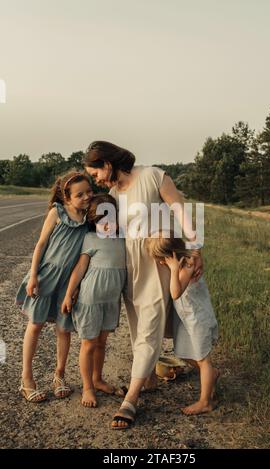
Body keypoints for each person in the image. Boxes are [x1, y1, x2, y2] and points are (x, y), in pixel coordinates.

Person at [83, 141, 203, 429]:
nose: (95, 179)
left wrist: (196, 248)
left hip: (157, 263)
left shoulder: (153, 176)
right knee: (139, 327)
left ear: (107, 165)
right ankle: (148, 379)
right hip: (131, 267)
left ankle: (132, 399)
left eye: (95, 173)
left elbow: (181, 211)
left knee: (149, 325)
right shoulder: (112, 194)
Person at [16, 171, 93, 402]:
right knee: (36, 324)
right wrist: (33, 277)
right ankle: (26, 379)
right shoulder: (57, 213)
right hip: (46, 276)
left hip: (67, 283)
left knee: (64, 328)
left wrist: (77, 287)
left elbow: (85, 256)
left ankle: (59, 375)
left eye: (89, 191)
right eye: (80, 194)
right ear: (66, 198)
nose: (87, 197)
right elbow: (40, 245)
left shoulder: (89, 220)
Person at [61, 194, 127, 408]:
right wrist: (69, 293)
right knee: (89, 343)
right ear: (93, 221)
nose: (107, 224)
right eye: (101, 220)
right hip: (90, 299)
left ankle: (98, 379)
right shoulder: (91, 239)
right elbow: (80, 268)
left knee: (102, 343)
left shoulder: (123, 238)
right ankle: (87, 386)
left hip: (111, 301)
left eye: (111, 218)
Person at [147, 232, 219, 415]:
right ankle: (212, 374)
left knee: (203, 359)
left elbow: (175, 293)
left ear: (171, 256)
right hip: (188, 318)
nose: (161, 263)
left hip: (198, 319)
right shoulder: (187, 255)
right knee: (184, 353)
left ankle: (205, 401)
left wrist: (172, 269)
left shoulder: (187, 265)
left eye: (162, 260)